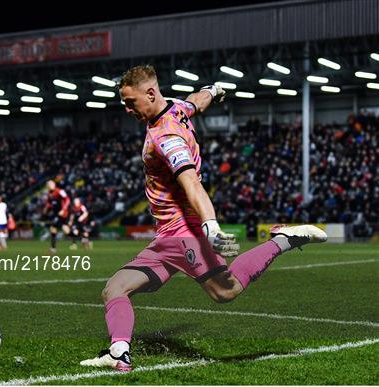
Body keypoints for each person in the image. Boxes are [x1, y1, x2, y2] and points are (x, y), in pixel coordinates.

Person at [80, 65, 327, 372]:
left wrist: (210, 225)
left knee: (227, 290)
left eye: (131, 102)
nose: (127, 108)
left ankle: (284, 239)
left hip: (182, 234)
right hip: (165, 237)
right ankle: (119, 353)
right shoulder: (175, 107)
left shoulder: (167, 136)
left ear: (150, 93)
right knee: (114, 289)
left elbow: (191, 183)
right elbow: (196, 101)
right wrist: (213, 89)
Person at [43, 180, 70, 253]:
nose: (49, 185)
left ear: (54, 184)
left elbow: (67, 200)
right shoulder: (49, 193)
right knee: (55, 228)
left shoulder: (60, 191)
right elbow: (49, 203)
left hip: (62, 213)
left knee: (57, 228)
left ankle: (53, 248)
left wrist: (63, 210)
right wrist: (46, 208)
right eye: (48, 184)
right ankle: (53, 248)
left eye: (51, 184)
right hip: (56, 214)